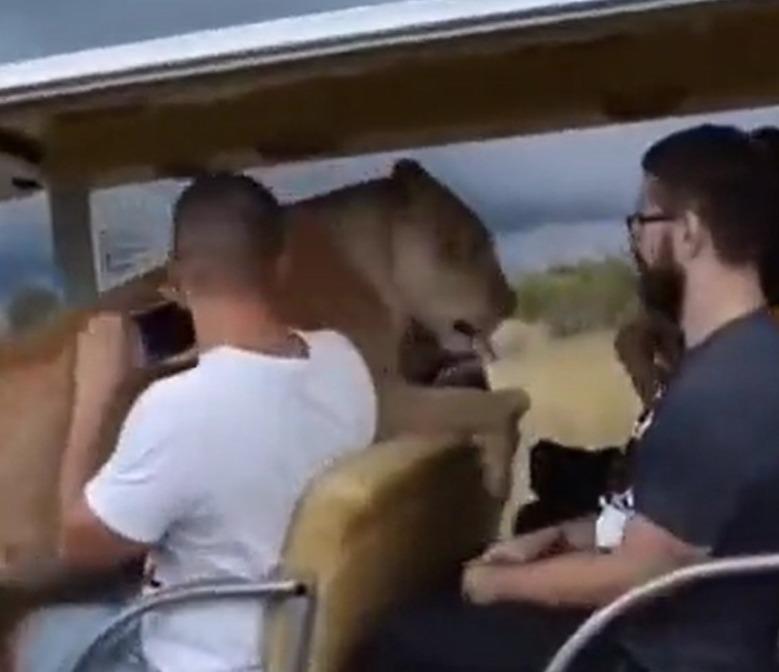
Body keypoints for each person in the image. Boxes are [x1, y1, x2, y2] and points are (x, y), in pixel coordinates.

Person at [364, 124, 779, 672]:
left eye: (645, 221)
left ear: (690, 234)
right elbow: (675, 527)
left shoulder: (719, 390)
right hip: (691, 631)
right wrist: (559, 536)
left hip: (662, 653)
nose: (636, 242)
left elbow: (643, 573)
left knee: (399, 640)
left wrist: (498, 584)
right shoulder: (746, 357)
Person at [13, 173, 378, 671]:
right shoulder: (343, 359)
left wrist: (96, 396)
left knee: (42, 635)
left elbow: (76, 547)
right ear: (282, 264)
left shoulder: (179, 408)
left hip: (206, 659)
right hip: (299, 638)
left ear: (177, 280)